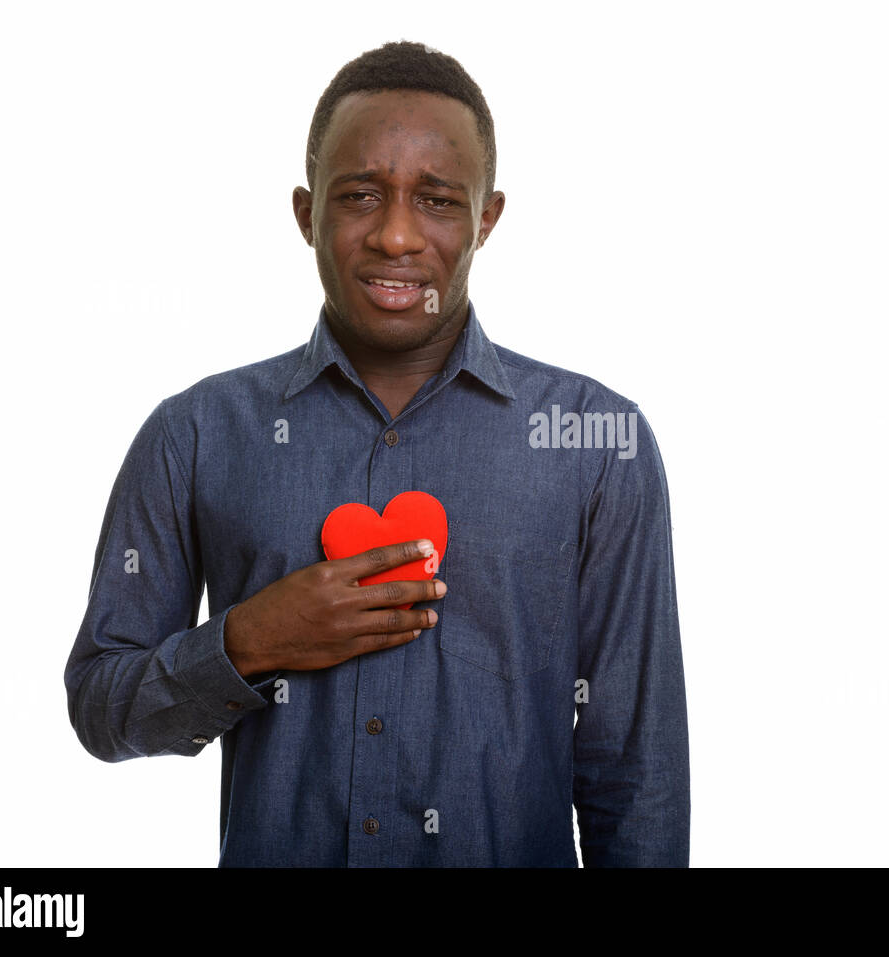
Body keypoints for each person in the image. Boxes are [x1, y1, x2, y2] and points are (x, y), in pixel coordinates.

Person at [64, 40, 690, 867]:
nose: (395, 235)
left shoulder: (598, 444)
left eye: (435, 200)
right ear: (306, 212)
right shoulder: (197, 434)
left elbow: (637, 771)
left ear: (486, 218)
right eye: (360, 195)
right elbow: (102, 707)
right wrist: (248, 641)